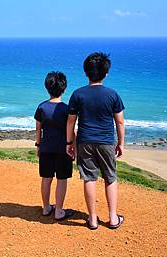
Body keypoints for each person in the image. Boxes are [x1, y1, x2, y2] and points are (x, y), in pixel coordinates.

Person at [66, 52, 126, 230]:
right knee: (110, 178)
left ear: (86, 72)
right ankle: (113, 218)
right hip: (106, 141)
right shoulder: (112, 95)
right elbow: (120, 121)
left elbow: (71, 121)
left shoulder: (78, 95)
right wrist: (120, 143)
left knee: (89, 179)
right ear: (106, 73)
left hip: (85, 141)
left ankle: (92, 220)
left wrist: (69, 143)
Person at [34, 71, 74, 221]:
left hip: (46, 148)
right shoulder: (66, 108)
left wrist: (38, 145)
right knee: (62, 179)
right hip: (63, 149)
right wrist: (73, 146)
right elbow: (71, 130)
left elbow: (38, 129)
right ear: (64, 88)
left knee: (46, 178)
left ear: (47, 87)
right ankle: (59, 211)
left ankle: (45, 208)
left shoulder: (41, 107)